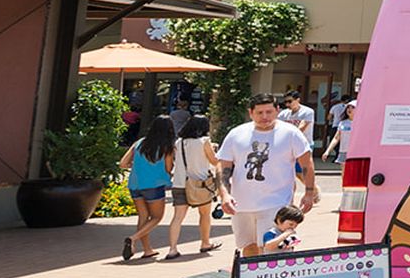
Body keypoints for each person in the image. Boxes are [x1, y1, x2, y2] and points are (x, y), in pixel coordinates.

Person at [216, 93, 319, 258]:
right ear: (251, 113)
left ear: (277, 110)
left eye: (269, 112)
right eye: (259, 112)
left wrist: (309, 193)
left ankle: (274, 276)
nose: (264, 117)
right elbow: (223, 166)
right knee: (248, 247)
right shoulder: (236, 134)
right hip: (242, 204)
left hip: (277, 203)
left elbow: (307, 163)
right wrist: (224, 195)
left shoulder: (291, 133)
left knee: (273, 250)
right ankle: (252, 275)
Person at [119, 113, 175, 260]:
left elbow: (123, 163)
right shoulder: (167, 147)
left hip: (135, 184)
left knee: (143, 216)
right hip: (154, 185)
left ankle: (147, 250)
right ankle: (133, 238)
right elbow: (168, 168)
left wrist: (137, 166)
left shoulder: (139, 143)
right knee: (157, 217)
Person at [163, 115, 220, 260]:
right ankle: (205, 243)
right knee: (204, 214)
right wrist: (215, 150)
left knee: (177, 217)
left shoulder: (179, 142)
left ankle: (172, 249)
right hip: (200, 184)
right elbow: (214, 161)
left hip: (180, 183)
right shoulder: (204, 141)